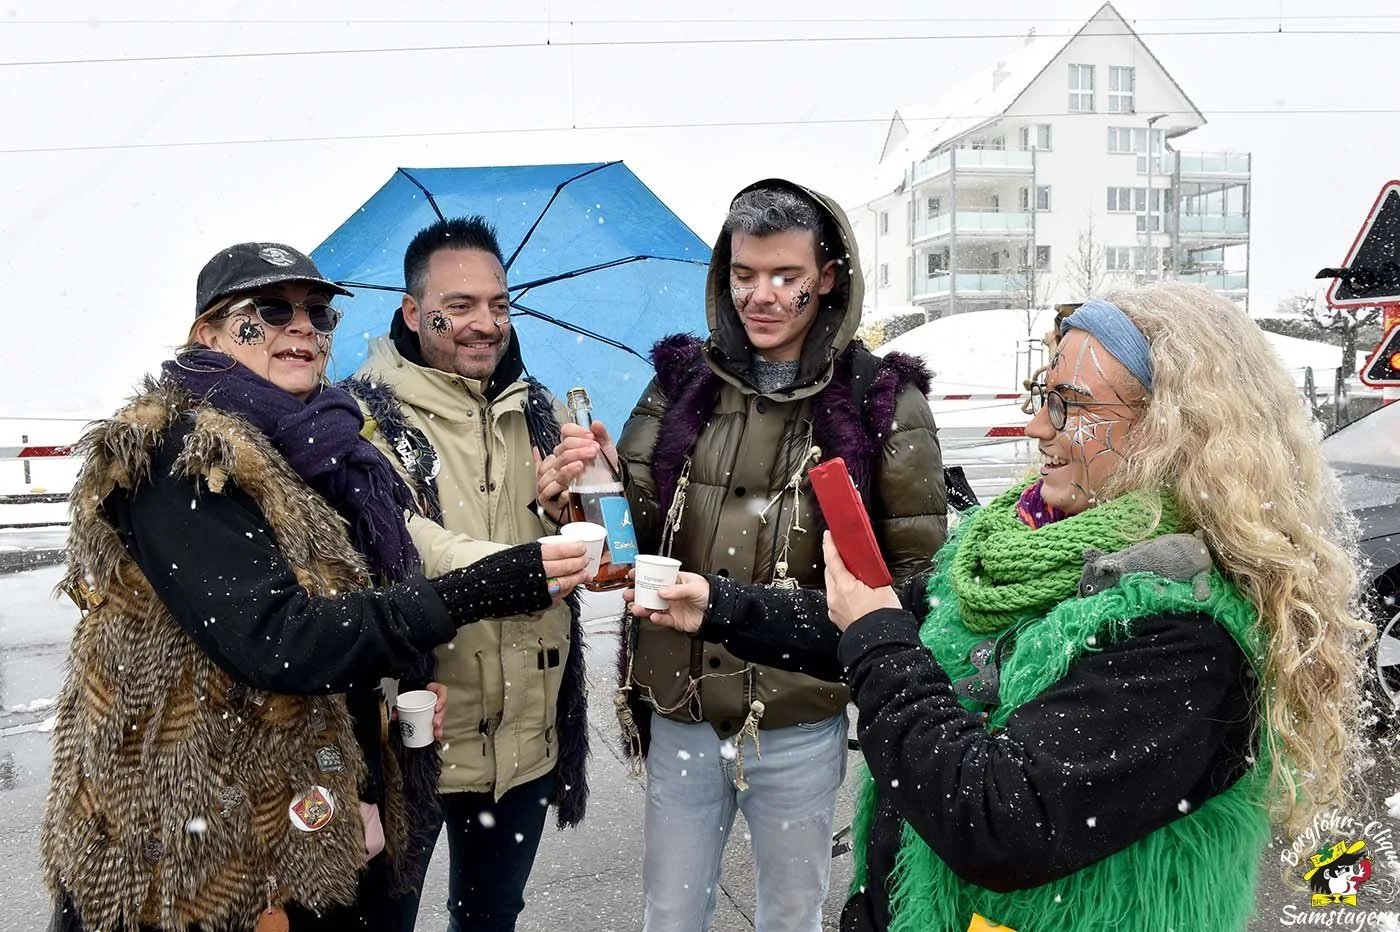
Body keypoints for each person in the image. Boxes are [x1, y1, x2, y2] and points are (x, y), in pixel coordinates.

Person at [630, 282, 1369, 932]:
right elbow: (898, 620)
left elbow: (1000, 818)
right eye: (1042, 395)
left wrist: (879, 636)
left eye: (1070, 405)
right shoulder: (1020, 545)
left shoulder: (1185, 631)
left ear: (1173, 428)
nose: (1038, 426)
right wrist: (722, 607)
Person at [41, 242, 591, 932]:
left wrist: (395, 692)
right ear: (208, 334)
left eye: (319, 313)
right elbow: (282, 639)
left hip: (300, 800)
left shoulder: (319, 446)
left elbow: (350, 598)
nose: (302, 326)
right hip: (197, 825)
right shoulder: (180, 453)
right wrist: (481, 588)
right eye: (271, 310)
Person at [538, 179, 947, 932]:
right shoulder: (680, 384)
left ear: (829, 278)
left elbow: (915, 584)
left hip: (797, 713)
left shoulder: (879, 401)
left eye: (787, 277)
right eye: (744, 275)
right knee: (670, 913)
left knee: (791, 914)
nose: (762, 297)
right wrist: (590, 486)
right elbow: (632, 535)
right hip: (681, 705)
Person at [345, 216, 589, 932]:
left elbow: (585, 540)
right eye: (460, 306)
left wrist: (567, 503)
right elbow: (394, 542)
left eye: (498, 304)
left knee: (490, 916)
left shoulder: (539, 410)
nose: (486, 323)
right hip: (414, 728)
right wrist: (517, 568)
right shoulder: (361, 416)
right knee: (380, 921)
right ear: (412, 311)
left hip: (525, 733)